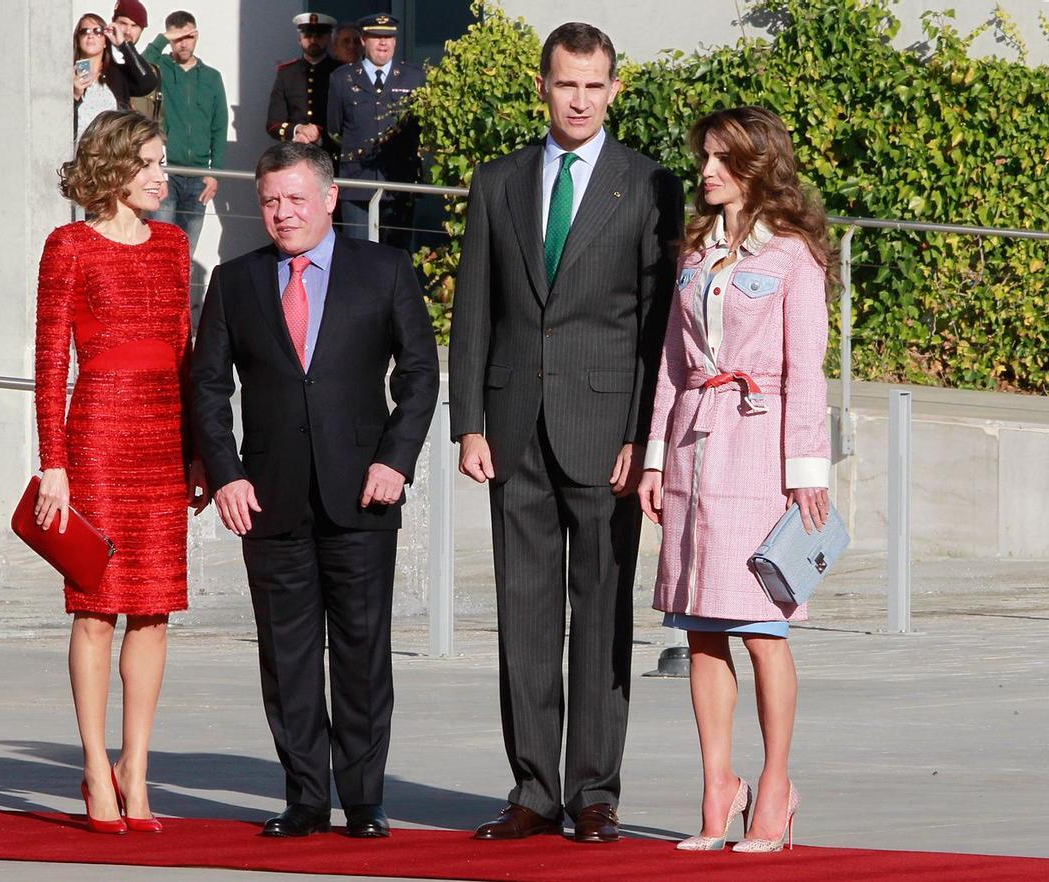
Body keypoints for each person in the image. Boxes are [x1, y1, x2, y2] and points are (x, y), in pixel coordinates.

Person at [448, 22, 683, 843]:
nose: (579, 99)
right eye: (565, 83)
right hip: (512, 430)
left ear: (615, 89)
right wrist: (468, 422)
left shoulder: (649, 184)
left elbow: (658, 327)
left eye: (594, 84)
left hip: (606, 432)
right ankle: (533, 788)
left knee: (603, 612)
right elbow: (473, 309)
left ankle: (593, 792)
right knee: (524, 612)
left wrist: (642, 435)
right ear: (542, 86)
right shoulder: (498, 182)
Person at [191, 142, 438, 839]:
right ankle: (305, 797)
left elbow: (420, 374)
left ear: (330, 198)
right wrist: (226, 471)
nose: (282, 213)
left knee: (362, 652)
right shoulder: (235, 282)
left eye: (296, 198)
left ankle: (363, 801)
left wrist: (396, 459)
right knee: (287, 655)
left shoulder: (384, 269)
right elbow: (208, 386)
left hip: (363, 493)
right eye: (271, 200)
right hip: (266, 496)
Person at [637, 106, 833, 854]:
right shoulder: (693, 253)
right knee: (701, 630)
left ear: (759, 165)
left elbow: (804, 371)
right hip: (693, 450)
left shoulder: (792, 256)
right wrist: (655, 456)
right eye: (705, 158)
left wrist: (805, 471)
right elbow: (670, 366)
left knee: (761, 630)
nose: (708, 171)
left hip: (759, 453)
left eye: (723, 159)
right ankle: (719, 787)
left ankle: (775, 787)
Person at [35, 110, 207, 835]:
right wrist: (54, 465)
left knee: (155, 608)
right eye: (154, 163)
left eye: (164, 163)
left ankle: (136, 769)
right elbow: (49, 365)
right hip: (99, 437)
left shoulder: (172, 246)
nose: (164, 177)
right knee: (96, 608)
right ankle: (93, 763)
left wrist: (199, 449)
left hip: (165, 439)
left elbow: (187, 352)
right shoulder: (68, 245)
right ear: (115, 167)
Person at [144, 9, 228, 327]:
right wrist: (163, 40)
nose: (184, 42)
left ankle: (178, 320)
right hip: (166, 174)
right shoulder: (163, 68)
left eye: (189, 35)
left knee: (184, 252)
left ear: (197, 35)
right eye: (178, 37)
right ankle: (156, 316)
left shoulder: (211, 78)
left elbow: (220, 126)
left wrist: (215, 171)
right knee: (161, 247)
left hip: (198, 179)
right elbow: (144, 62)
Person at [325, 13, 424, 246]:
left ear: (395, 42)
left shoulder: (414, 77)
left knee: (397, 255)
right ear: (363, 40)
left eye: (388, 37)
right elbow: (334, 128)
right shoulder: (342, 79)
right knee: (357, 252)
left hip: (398, 181)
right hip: (358, 180)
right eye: (376, 36)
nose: (383, 43)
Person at [72, 13, 158, 140]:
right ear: (78, 40)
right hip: (78, 154)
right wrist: (75, 97)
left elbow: (148, 83)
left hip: (111, 154)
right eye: (85, 31)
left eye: (98, 31)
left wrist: (124, 45)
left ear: (105, 41)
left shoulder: (117, 75)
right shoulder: (66, 75)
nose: (91, 35)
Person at [267, 13, 340, 158]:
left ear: (329, 38)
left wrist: (318, 135)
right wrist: (298, 130)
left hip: (331, 156)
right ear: (299, 39)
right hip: (294, 154)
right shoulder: (286, 73)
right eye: (307, 35)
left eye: (319, 36)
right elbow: (273, 124)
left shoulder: (340, 72)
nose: (313, 40)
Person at [110, 0, 165, 123]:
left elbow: (148, 83)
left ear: (141, 30)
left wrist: (125, 47)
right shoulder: (101, 52)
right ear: (113, 23)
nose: (128, 31)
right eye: (123, 23)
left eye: (134, 26)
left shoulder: (137, 62)